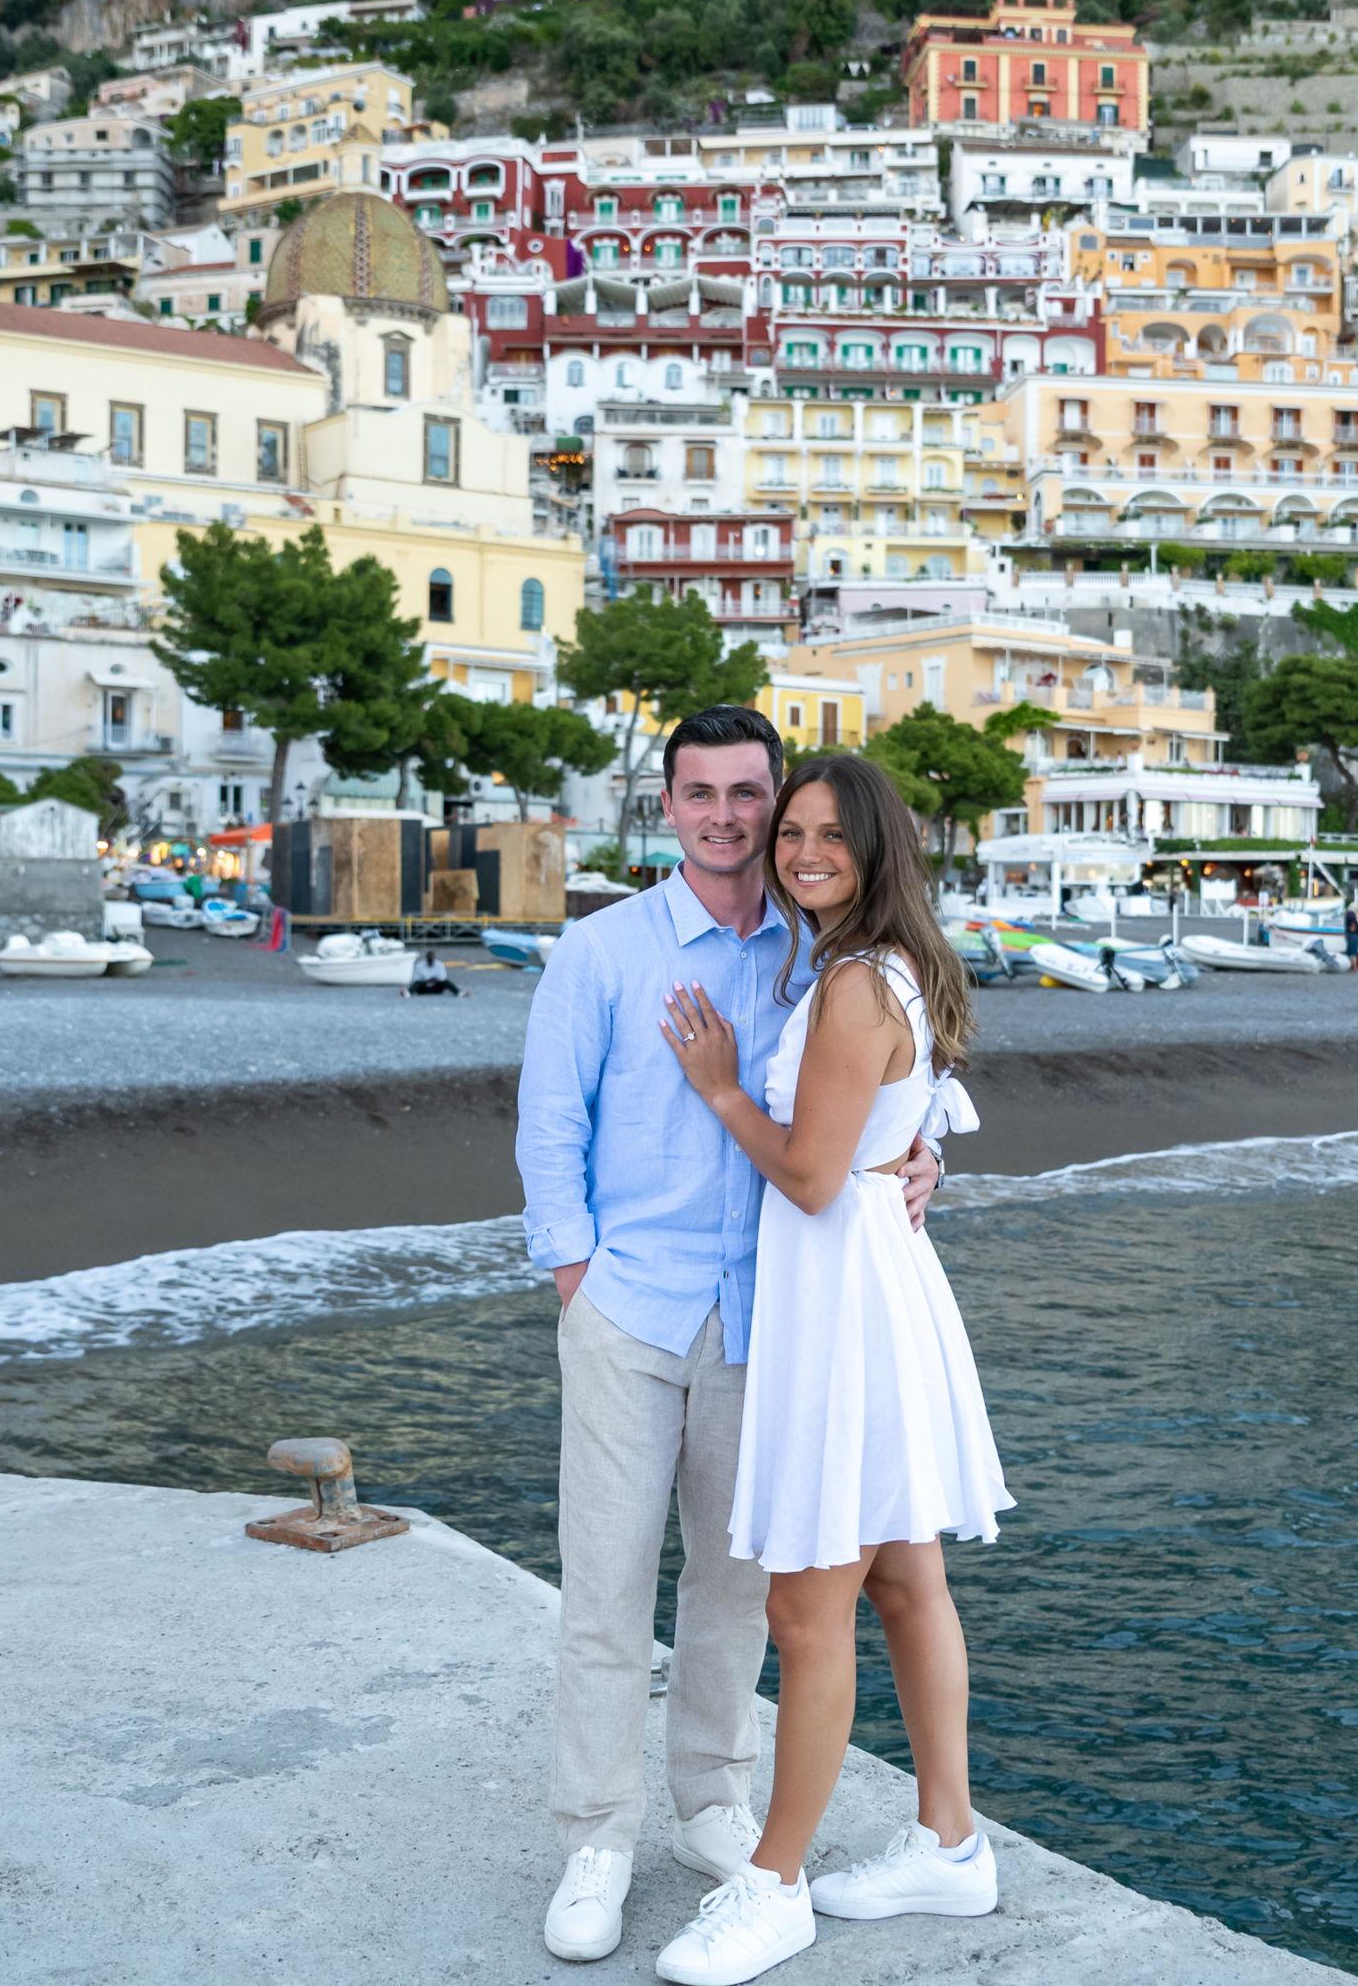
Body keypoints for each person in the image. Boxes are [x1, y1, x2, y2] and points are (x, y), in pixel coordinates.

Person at [517, 708, 940, 1967]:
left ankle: (712, 1796)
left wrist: (927, 1152)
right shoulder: (601, 949)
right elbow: (549, 1124)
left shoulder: (820, 947)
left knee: (736, 1585)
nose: (724, 816)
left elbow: (889, 1078)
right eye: (697, 793)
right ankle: (597, 1836)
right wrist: (576, 1277)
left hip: (775, 1318)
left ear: (776, 802)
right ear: (667, 805)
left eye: (745, 793)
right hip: (630, 1305)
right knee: (605, 1584)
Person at [651, 754, 1012, 1986]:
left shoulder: (854, 981)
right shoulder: (885, 965)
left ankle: (774, 1884)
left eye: (828, 836)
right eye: (789, 832)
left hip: (843, 1300)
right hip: (870, 1284)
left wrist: (717, 1089)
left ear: (873, 849)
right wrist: (908, 1154)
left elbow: (807, 1175)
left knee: (806, 1613)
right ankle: (949, 1843)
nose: (801, 852)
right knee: (903, 1581)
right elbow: (904, 1121)